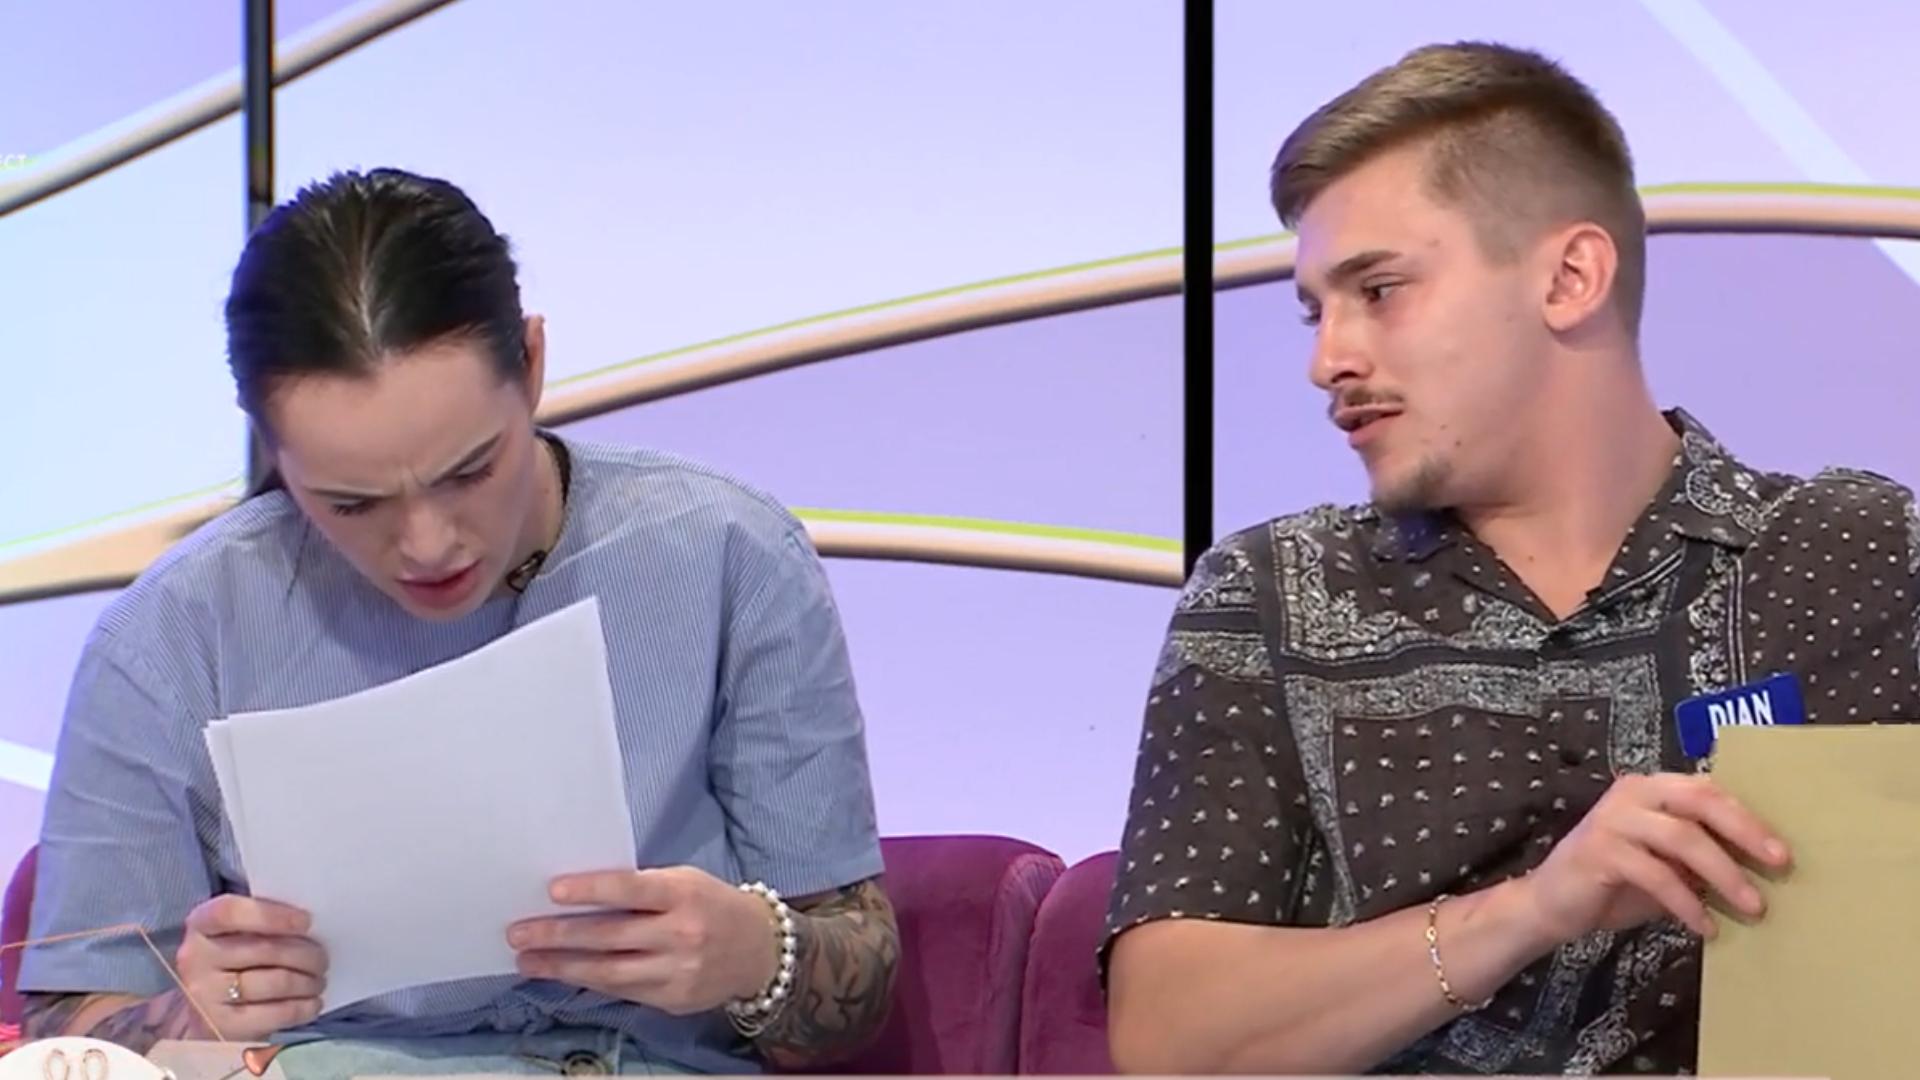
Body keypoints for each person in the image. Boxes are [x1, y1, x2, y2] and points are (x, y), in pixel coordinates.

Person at [1103, 41, 1920, 1075]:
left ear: (1571, 277)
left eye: (1379, 290)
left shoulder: (1862, 558)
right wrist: (1531, 911)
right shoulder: (1270, 595)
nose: (1328, 359)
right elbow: (1169, 1040)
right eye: (1317, 312)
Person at [19, 168, 898, 1077]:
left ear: (533, 365)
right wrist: (188, 1011)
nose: (428, 545)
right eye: (352, 503)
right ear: (270, 446)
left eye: (471, 471)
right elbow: (61, 1044)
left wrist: (754, 954)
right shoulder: (168, 637)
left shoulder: (727, 552)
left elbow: (857, 982)